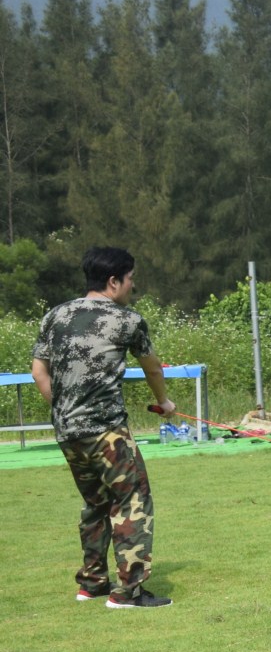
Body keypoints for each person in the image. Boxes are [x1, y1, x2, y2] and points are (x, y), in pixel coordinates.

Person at [31, 246, 174, 609]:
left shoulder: (56, 315)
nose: (132, 286)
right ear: (114, 281)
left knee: (96, 504)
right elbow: (153, 368)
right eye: (130, 280)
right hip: (107, 431)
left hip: (67, 431)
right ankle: (128, 593)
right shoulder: (127, 320)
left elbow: (39, 371)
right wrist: (165, 403)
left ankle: (92, 583)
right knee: (132, 500)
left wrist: (65, 409)